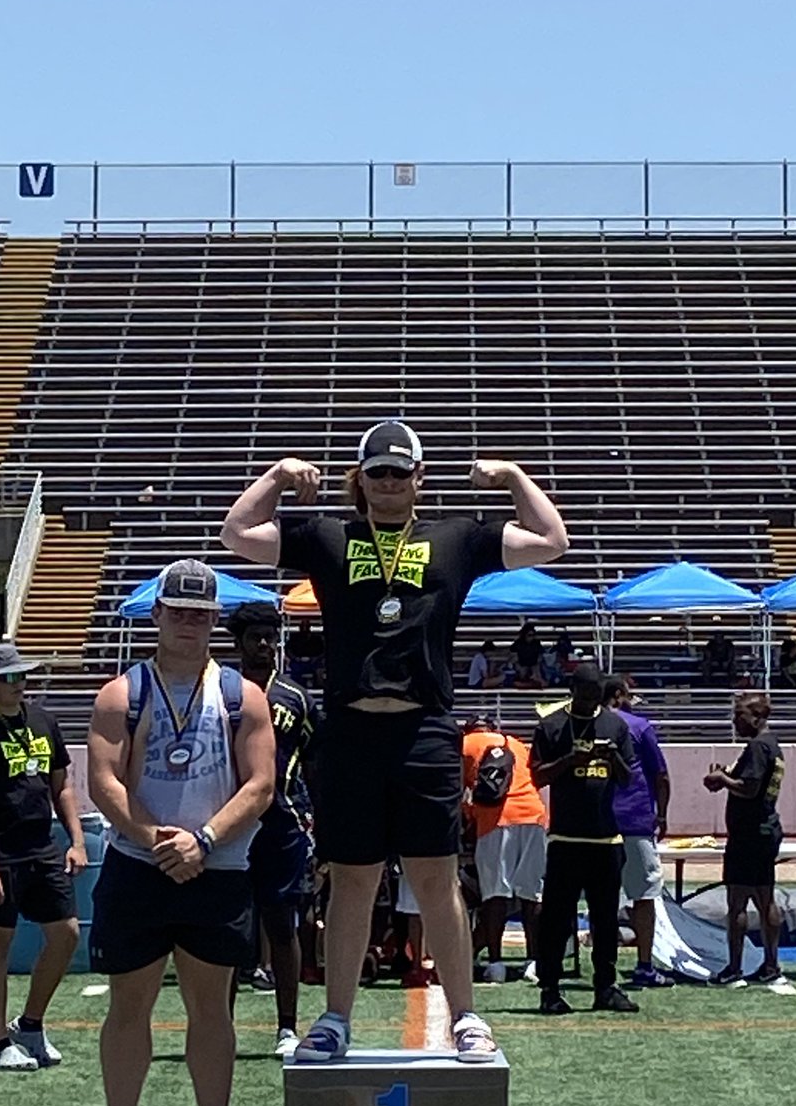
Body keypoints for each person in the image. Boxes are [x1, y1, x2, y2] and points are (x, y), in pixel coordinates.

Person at [221, 418, 568, 1063]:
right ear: (360, 478)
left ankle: (465, 1016)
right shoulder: (328, 536)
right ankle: (335, 1019)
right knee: (352, 880)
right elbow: (236, 534)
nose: (388, 482)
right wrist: (278, 474)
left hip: (425, 730)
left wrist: (514, 476)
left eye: (399, 471)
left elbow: (552, 539)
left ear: (418, 478)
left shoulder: (455, 538)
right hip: (351, 729)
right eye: (377, 471)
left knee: (436, 878)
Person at [83, 560, 275, 1106]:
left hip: (217, 869)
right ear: (158, 614)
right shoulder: (122, 693)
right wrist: (155, 840)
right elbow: (103, 780)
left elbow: (261, 785)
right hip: (138, 868)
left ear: (214, 621)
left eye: (201, 614)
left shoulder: (242, 696)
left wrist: (204, 840)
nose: (189, 623)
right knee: (129, 1005)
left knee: (211, 1008)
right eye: (179, 612)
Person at [0, 642, 85, 1071]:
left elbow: (62, 786)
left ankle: (31, 1024)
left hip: (41, 846)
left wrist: (77, 840)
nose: (18, 683)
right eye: (8, 676)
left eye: (22, 675)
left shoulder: (44, 721)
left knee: (66, 933)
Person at [226, 600, 320, 1057]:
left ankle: (286, 1027)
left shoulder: (295, 697)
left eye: (270, 637)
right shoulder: (220, 691)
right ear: (238, 643)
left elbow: (317, 760)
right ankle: (218, 1025)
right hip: (229, 823)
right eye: (255, 637)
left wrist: (320, 819)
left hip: (283, 822)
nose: (264, 644)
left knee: (282, 924)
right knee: (227, 927)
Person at [530, 663, 639, 1015]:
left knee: (605, 919)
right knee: (556, 919)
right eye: (586, 695)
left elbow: (627, 778)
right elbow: (538, 777)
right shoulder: (551, 726)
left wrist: (613, 757)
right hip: (565, 839)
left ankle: (605, 987)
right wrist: (570, 759)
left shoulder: (615, 725)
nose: (591, 702)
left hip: (605, 841)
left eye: (596, 696)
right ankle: (550, 989)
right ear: (573, 691)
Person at [704, 693, 786, 986]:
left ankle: (734, 969)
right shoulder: (772, 745)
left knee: (738, 901)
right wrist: (727, 777)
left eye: (740, 715)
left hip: (748, 834)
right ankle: (771, 966)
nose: (735, 720)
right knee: (765, 898)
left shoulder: (757, 747)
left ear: (758, 717)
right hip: (764, 830)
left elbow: (749, 788)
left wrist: (722, 779)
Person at [462, 716, 546, 984]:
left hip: (495, 820)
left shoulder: (465, 744)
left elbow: (458, 790)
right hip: (533, 816)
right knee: (531, 894)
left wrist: (468, 817)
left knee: (495, 894)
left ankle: (495, 963)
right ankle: (534, 962)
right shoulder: (517, 744)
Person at [602, 676, 673, 989]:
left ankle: (603, 966)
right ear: (619, 694)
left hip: (598, 822)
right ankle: (644, 965)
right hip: (634, 819)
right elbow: (660, 775)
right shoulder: (639, 726)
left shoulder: (588, 725)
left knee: (600, 897)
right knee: (644, 895)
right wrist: (662, 814)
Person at [285, 618, 325, 687]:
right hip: (298, 662)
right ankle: (296, 686)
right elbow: (288, 650)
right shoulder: (294, 638)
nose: (304, 629)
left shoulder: (317, 639)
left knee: (319, 668)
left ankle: (319, 686)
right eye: (302, 627)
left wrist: (315, 658)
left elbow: (322, 651)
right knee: (295, 668)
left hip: (313, 662)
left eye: (306, 626)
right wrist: (295, 658)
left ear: (310, 627)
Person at [510, 622, 544, 687]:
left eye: (533, 635)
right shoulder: (518, 643)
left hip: (533, 665)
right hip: (522, 665)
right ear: (524, 635)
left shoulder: (536, 643)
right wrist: (518, 665)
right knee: (521, 671)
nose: (531, 637)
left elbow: (540, 655)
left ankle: (536, 681)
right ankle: (524, 682)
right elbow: (513, 656)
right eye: (529, 635)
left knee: (536, 671)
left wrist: (536, 666)